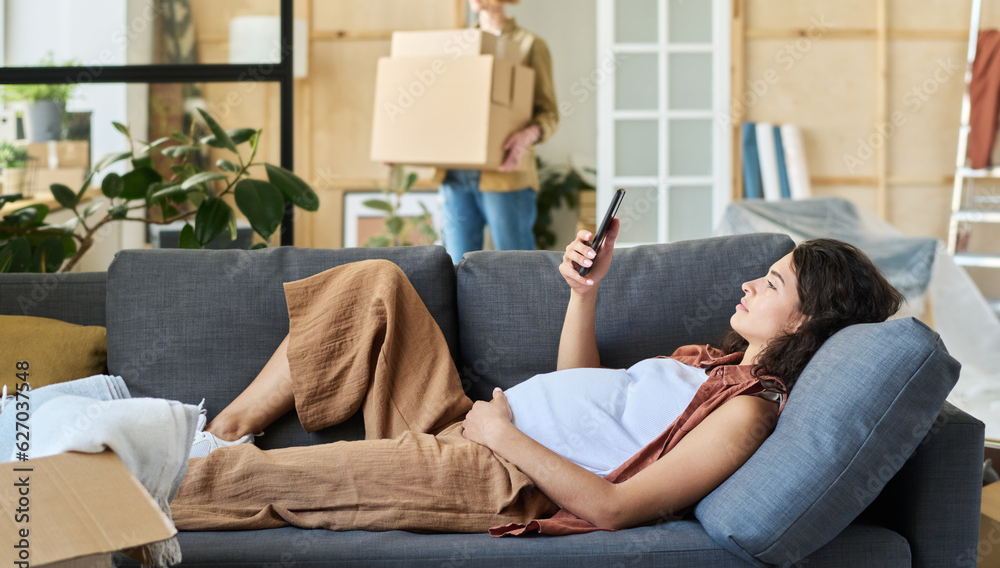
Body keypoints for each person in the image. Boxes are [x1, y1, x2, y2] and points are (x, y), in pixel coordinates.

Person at [170, 223, 904, 535]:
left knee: (279, 480)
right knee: (376, 283)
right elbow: (584, 393)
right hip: (465, 419)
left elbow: (614, 506)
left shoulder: (745, 416)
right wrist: (585, 294)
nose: (749, 282)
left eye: (771, 284)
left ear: (805, 323)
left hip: (492, 470)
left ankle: (129, 487)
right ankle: (218, 429)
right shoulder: (709, 366)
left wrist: (502, 436)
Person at [434, 0, 560, 265]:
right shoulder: (459, 45)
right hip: (457, 173)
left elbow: (549, 114)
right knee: (456, 268)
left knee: (517, 268)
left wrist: (525, 137)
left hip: (506, 173)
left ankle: (528, 317)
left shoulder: (531, 45)